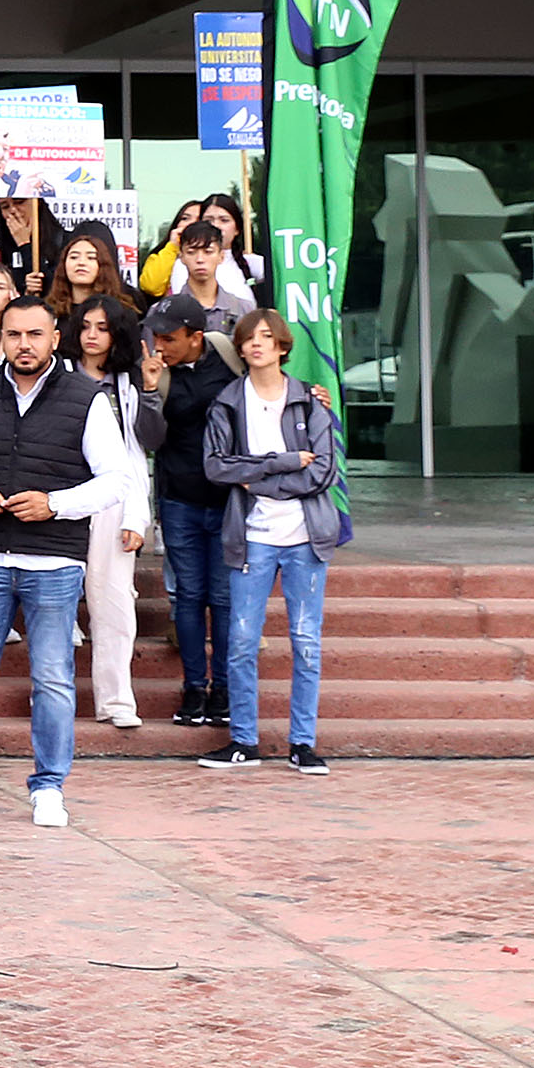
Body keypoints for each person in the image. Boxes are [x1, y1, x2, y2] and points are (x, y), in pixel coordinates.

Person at [0, 300, 142, 828]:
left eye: (35, 334)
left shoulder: (86, 397)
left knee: (54, 679)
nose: (24, 344)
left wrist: (55, 504)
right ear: (2, 338)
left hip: (55, 561)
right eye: (14, 334)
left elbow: (115, 479)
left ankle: (49, 787)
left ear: (55, 338)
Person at [199, 310, 344, 774]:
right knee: (241, 640)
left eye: (267, 337)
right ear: (240, 348)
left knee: (306, 641)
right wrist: (281, 463)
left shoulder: (309, 401)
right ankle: (244, 740)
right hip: (252, 535)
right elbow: (217, 466)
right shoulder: (227, 403)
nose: (257, 344)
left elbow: (323, 470)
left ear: (282, 346)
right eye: (249, 338)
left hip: (305, 535)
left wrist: (257, 479)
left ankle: (303, 743)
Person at [142, 292, 245, 728]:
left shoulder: (229, 359)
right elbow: (150, 439)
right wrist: (150, 390)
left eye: (169, 338)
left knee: (222, 598)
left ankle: (223, 687)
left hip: (226, 499)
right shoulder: (157, 371)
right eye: (156, 337)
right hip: (178, 497)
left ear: (196, 337)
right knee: (187, 596)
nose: (160, 345)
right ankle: (193, 687)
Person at [64, 294, 161, 732]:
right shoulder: (58, 374)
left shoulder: (128, 382)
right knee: (55, 605)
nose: (92, 336)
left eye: (102, 328)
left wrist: (135, 516)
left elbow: (139, 452)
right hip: (61, 498)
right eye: (86, 326)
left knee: (115, 603)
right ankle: (52, 695)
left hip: (112, 500)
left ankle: (116, 699)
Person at [167, 217, 257, 333]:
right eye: (191, 252)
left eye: (208, 252)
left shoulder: (245, 310)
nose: (200, 259)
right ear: (182, 257)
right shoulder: (164, 312)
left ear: (221, 256)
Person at [44, 222, 133, 320]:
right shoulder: (48, 313)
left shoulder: (121, 313)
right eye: (74, 257)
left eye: (91, 258)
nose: (81, 263)